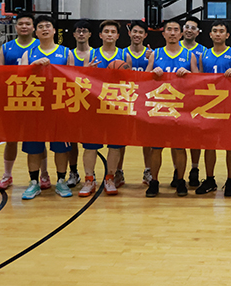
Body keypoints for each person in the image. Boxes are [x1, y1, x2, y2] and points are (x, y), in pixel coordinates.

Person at [19, 15, 74, 200]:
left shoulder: (66, 52)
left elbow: (73, 79)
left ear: (54, 31)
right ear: (36, 32)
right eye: (41, 26)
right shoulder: (28, 54)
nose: (44, 29)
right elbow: (20, 78)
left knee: (61, 148)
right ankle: (34, 182)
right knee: (33, 147)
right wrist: (32, 66)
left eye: (48, 26)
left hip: (59, 106)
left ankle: (61, 181)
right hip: (35, 106)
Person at [144, 19, 198, 197]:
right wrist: (153, 74)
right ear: (164, 33)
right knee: (156, 148)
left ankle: (181, 180)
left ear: (181, 34)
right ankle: (154, 182)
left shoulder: (189, 56)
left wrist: (189, 74)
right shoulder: (156, 54)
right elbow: (144, 80)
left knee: (180, 147)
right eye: (169, 30)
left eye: (176, 30)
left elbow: (199, 80)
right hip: (159, 109)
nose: (173, 33)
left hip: (180, 110)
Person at [78, 20, 131, 197]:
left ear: (118, 36)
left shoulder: (124, 56)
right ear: (100, 35)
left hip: (116, 107)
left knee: (114, 146)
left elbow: (131, 83)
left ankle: (110, 178)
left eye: (113, 32)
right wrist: (87, 70)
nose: (109, 34)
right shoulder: (91, 54)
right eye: (106, 31)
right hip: (94, 106)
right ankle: (89, 179)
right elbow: (81, 81)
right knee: (90, 146)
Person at [0, 12, 41, 192]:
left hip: (36, 98)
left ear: (33, 27)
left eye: (28, 24)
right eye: (21, 24)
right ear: (16, 27)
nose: (24, 26)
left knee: (38, 139)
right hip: (13, 99)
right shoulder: (6, 48)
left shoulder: (40, 46)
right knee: (11, 139)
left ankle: (44, 174)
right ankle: (7, 175)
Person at [197, 20, 231, 197]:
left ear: (227, 35)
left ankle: (230, 180)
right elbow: (199, 80)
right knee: (209, 145)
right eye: (214, 31)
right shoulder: (204, 54)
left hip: (229, 106)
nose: (217, 34)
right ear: (210, 34)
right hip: (209, 107)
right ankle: (210, 179)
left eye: (221, 31)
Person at [120, 20, 153, 188]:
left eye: (140, 32)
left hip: (145, 100)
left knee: (147, 138)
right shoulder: (121, 54)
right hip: (126, 100)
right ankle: (118, 171)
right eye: (135, 32)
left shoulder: (151, 55)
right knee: (121, 138)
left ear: (145, 35)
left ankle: (148, 170)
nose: (137, 35)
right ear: (129, 33)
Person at [66, 19, 94, 189]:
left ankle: (91, 174)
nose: (81, 34)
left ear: (90, 34)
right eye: (79, 31)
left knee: (90, 142)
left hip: (91, 103)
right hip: (72, 101)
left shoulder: (96, 54)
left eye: (85, 31)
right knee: (72, 141)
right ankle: (73, 171)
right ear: (74, 34)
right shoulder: (68, 54)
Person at [181, 16, 208, 187]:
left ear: (198, 32)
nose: (189, 30)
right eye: (187, 27)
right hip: (175, 99)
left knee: (195, 137)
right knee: (178, 139)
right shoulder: (173, 47)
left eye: (193, 28)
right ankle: (178, 171)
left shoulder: (204, 51)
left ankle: (194, 168)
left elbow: (202, 76)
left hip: (194, 99)